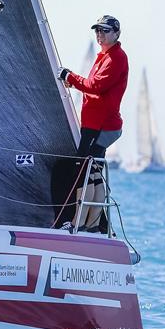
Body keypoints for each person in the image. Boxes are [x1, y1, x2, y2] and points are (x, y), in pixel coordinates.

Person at [57, 15, 128, 232]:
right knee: (93, 172)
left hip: (100, 125)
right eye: (97, 30)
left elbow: (95, 86)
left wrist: (70, 76)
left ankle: (79, 223)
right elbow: (93, 87)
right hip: (96, 123)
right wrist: (74, 82)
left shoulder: (116, 58)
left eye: (105, 31)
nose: (100, 34)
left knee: (83, 172)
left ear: (116, 34)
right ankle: (94, 225)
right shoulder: (104, 56)